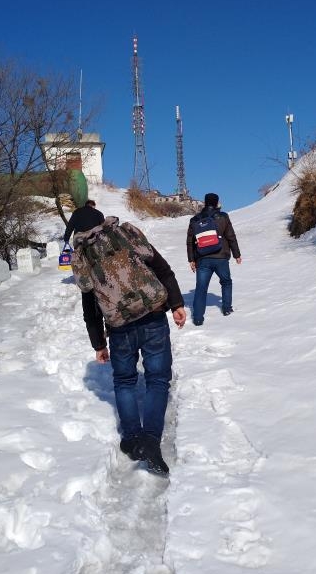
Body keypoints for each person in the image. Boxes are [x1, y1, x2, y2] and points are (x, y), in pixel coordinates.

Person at [80, 219, 186, 476]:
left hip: (119, 329)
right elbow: (162, 268)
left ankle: (131, 439)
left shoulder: (82, 255)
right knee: (158, 380)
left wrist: (98, 343)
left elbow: (89, 304)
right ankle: (150, 438)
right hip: (153, 316)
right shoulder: (126, 233)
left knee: (125, 381)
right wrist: (176, 303)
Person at [186, 192, 241, 326]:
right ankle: (227, 309)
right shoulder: (223, 217)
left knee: (201, 288)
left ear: (205, 203)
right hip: (221, 257)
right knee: (226, 282)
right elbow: (230, 236)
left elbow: (190, 242)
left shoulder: (195, 220)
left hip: (202, 258)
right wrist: (237, 254)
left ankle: (198, 318)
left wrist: (191, 259)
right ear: (216, 203)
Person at [62, 199, 106, 351]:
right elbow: (104, 229)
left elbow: (70, 225)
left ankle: (84, 277)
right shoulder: (98, 213)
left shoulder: (77, 212)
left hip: (80, 242)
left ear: (85, 204)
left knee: (82, 261)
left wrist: (66, 238)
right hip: (96, 244)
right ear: (93, 205)